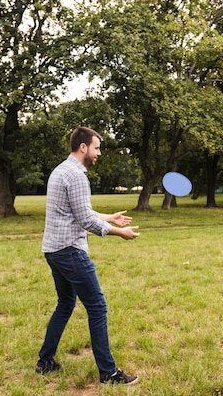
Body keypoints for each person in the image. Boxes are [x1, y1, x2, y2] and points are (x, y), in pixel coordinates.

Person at [36, 127, 140, 385]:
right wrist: (119, 232)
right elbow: (85, 220)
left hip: (53, 250)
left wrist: (109, 216)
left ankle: (45, 362)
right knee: (97, 307)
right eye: (97, 148)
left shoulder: (61, 170)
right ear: (83, 147)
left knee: (65, 304)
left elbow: (79, 210)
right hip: (70, 251)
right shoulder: (77, 176)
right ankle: (108, 373)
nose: (99, 153)